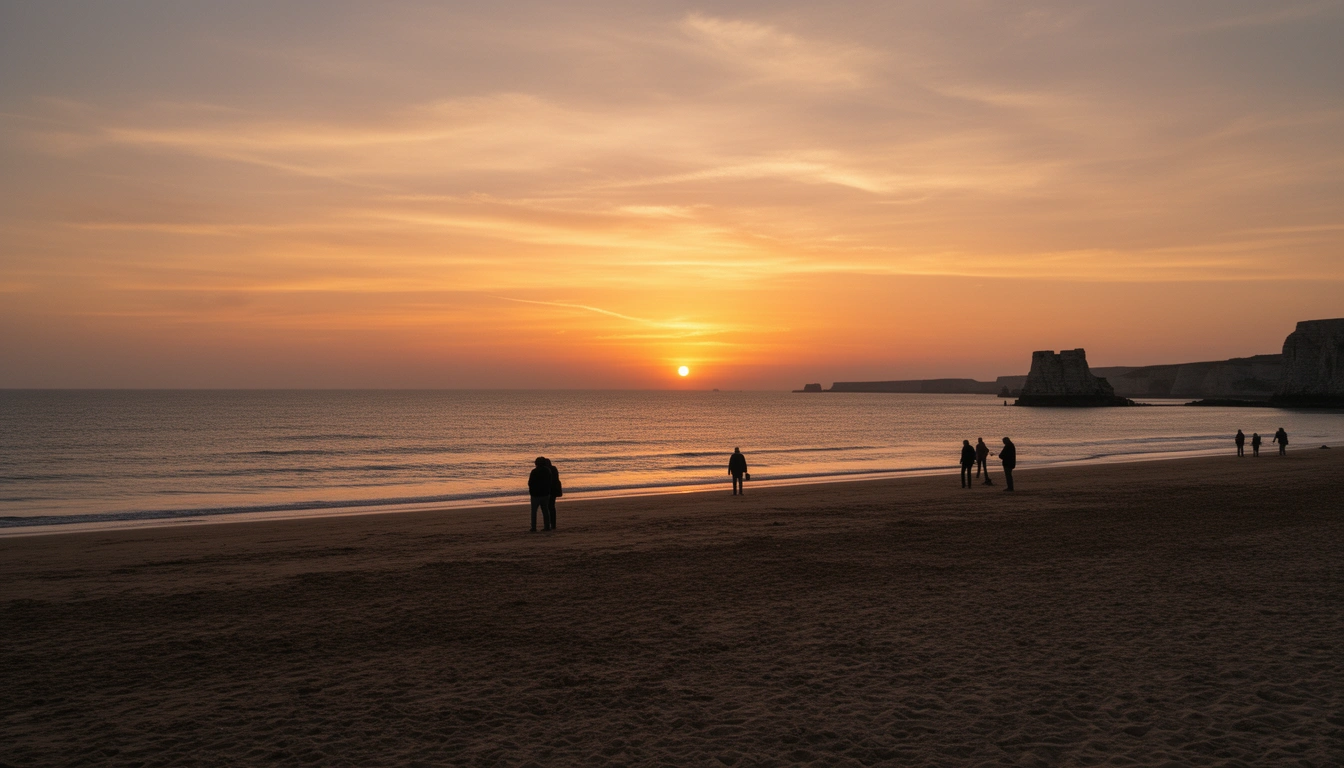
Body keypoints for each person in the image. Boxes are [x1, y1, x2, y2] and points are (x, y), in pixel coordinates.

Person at [528, 457, 554, 532]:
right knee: (545, 510)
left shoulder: (534, 471)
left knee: (534, 511)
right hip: (545, 493)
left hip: (535, 494)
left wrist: (531, 491)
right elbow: (550, 481)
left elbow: (530, 483)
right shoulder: (548, 471)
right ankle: (547, 526)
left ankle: (533, 527)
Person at [545, 458, 562, 530]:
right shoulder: (554, 469)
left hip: (550, 491)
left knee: (549, 507)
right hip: (554, 490)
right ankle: (552, 524)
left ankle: (550, 524)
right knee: (551, 507)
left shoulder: (548, 470)